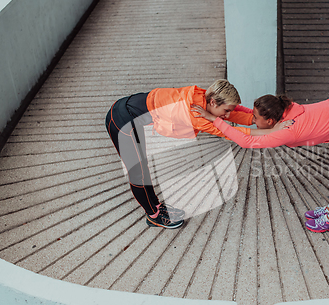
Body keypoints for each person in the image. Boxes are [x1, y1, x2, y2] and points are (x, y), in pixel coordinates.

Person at [191, 94, 329, 233]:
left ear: (269, 121)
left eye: (256, 119)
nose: (253, 120)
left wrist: (214, 119)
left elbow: (246, 141)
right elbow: (250, 118)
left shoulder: (287, 130)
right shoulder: (286, 108)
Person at [105, 80, 258, 229]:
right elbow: (231, 132)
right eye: (226, 110)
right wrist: (268, 133)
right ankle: (154, 216)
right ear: (213, 103)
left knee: (143, 167)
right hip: (122, 122)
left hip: (127, 110)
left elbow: (233, 114)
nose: (228, 115)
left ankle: (156, 206)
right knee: (138, 173)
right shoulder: (196, 114)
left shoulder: (203, 97)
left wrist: (256, 118)